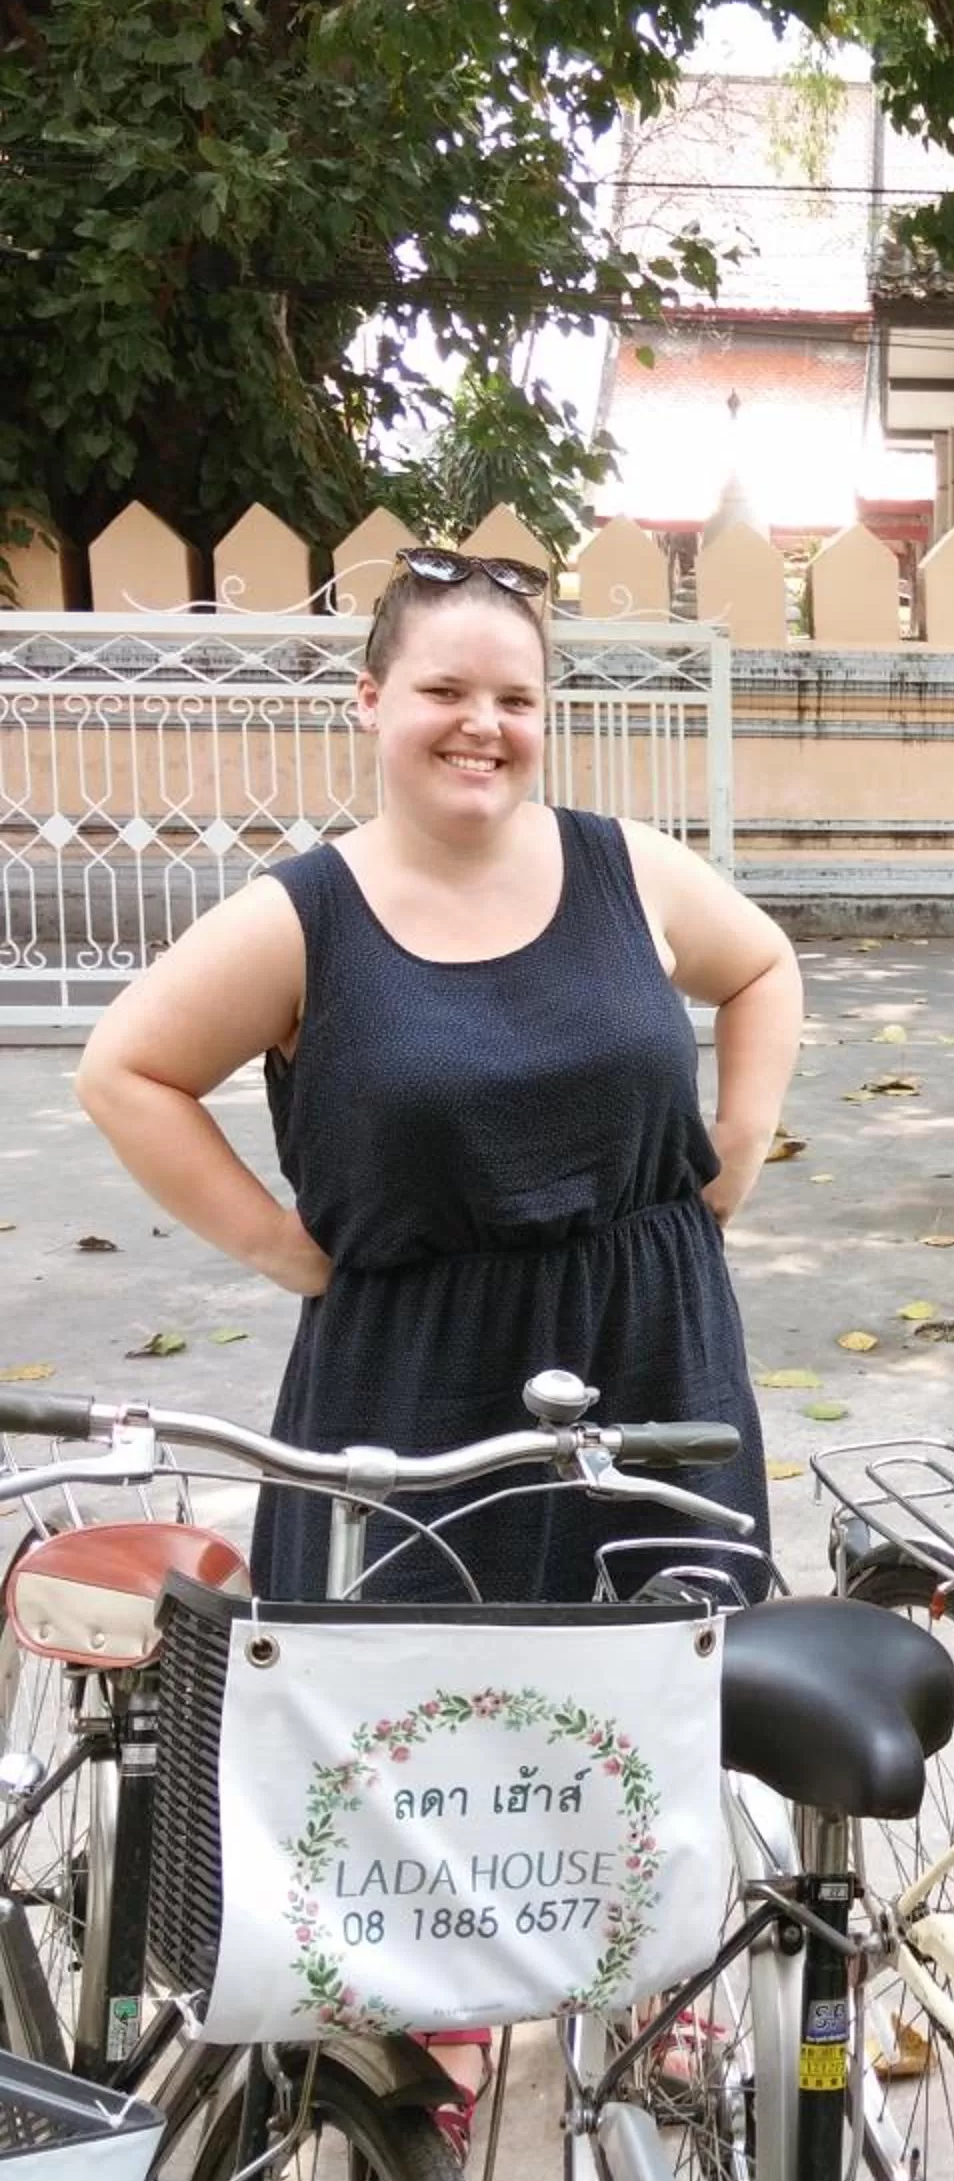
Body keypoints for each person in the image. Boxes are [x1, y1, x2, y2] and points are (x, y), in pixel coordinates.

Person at [77, 545, 801, 1608]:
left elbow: (763, 967)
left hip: (653, 1356)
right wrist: (282, 1248)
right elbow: (124, 1071)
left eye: (516, 698)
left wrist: (736, 1151)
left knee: (662, 1709)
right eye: (446, 690)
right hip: (416, 1380)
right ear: (371, 700)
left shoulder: (630, 868)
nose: (484, 724)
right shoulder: (304, 918)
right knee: (409, 1738)